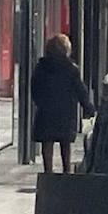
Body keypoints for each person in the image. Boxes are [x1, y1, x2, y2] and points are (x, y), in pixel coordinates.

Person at [31, 33, 94, 175]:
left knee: (47, 141)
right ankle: (66, 171)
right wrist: (89, 109)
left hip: (46, 110)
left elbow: (34, 87)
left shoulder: (41, 67)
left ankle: (48, 171)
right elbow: (80, 90)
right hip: (65, 112)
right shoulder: (71, 68)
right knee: (65, 143)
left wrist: (40, 102)